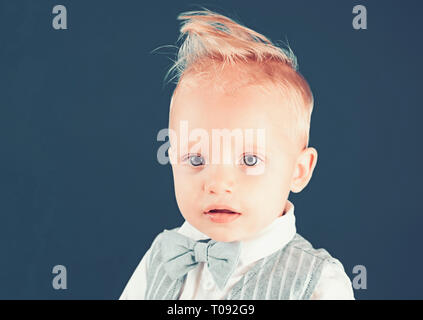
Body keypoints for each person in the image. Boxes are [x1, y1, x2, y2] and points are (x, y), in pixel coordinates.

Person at [120, 9, 354, 300]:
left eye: (250, 160)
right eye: (196, 159)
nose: (218, 183)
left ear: (299, 170)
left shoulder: (316, 281)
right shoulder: (163, 257)